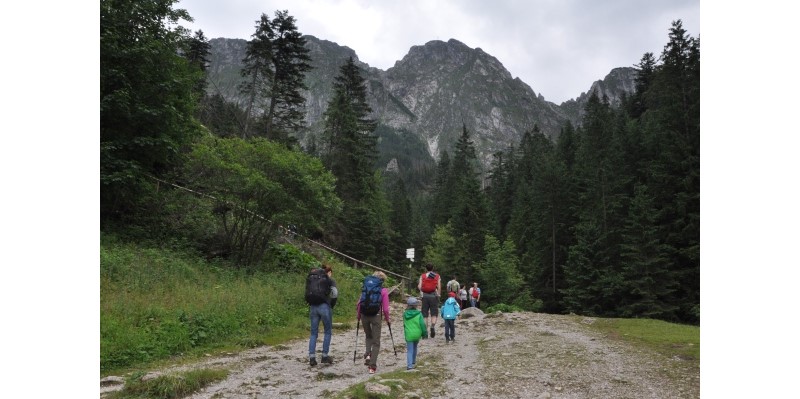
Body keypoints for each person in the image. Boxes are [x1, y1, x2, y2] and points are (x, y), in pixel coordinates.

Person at [357, 271, 391, 374]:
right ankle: (372, 367)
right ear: (382, 281)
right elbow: (385, 309)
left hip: (364, 315)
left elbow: (359, 303)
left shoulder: (366, 287)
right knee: (376, 342)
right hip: (376, 316)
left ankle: (368, 354)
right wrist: (387, 319)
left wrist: (358, 316)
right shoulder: (383, 290)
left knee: (368, 336)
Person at [308, 265, 337, 366]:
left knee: (313, 333)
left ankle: (312, 357)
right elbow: (335, 293)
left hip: (313, 307)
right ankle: (324, 356)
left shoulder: (312, 278)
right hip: (324, 306)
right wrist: (331, 304)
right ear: (329, 272)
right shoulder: (329, 280)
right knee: (327, 331)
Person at [403, 296, 427, 370]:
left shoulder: (405, 314)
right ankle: (413, 362)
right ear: (416, 305)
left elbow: (404, 324)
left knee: (409, 350)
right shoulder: (419, 314)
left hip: (409, 334)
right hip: (417, 334)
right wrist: (424, 334)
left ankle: (409, 366)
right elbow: (422, 324)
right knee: (415, 347)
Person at [417, 263, 441, 338]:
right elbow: (439, 286)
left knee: (425, 314)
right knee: (434, 313)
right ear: (433, 268)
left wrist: (422, 290)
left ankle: (425, 332)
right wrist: (439, 294)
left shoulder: (423, 276)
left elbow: (420, 286)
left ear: (426, 268)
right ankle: (432, 326)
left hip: (425, 296)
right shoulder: (437, 276)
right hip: (433, 296)